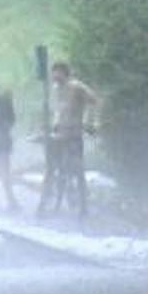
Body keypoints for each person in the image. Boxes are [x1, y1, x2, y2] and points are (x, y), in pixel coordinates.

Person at [39, 60, 99, 217]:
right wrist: (50, 127)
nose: (54, 76)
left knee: (78, 171)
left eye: (57, 73)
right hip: (59, 135)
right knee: (54, 169)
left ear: (64, 73)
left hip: (73, 135)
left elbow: (93, 101)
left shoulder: (76, 86)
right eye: (53, 73)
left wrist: (89, 122)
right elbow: (57, 111)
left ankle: (83, 206)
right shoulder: (56, 89)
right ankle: (53, 204)